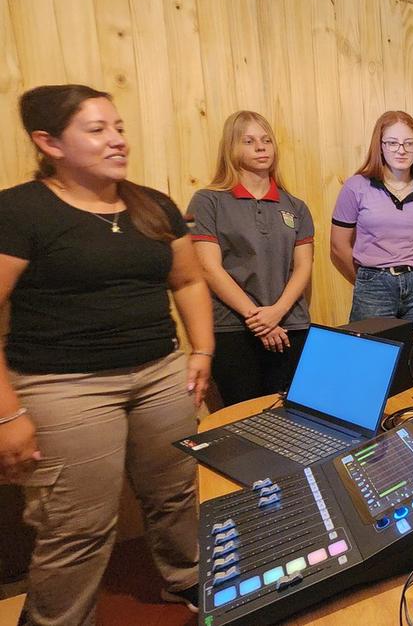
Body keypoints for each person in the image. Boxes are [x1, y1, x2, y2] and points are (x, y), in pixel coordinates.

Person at [0, 84, 213, 624]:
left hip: (160, 373)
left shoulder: (153, 204)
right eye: (97, 130)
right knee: (78, 527)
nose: (117, 140)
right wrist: (8, 413)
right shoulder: (20, 211)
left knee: (175, 495)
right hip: (62, 386)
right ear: (48, 142)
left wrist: (201, 350)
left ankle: (187, 580)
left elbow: (187, 281)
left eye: (118, 127)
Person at [188, 111, 314, 406]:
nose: (261, 147)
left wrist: (276, 313)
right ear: (231, 148)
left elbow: (303, 266)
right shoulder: (207, 201)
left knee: (293, 416)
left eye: (266, 140)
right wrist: (258, 319)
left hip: (290, 326)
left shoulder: (296, 206)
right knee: (244, 419)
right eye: (249, 141)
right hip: (234, 328)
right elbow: (208, 267)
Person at [330, 111, 413, 366]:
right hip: (374, 285)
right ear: (379, 146)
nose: (401, 150)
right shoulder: (356, 187)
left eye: (409, 143)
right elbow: (338, 247)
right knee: (369, 364)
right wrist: (366, 280)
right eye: (392, 142)